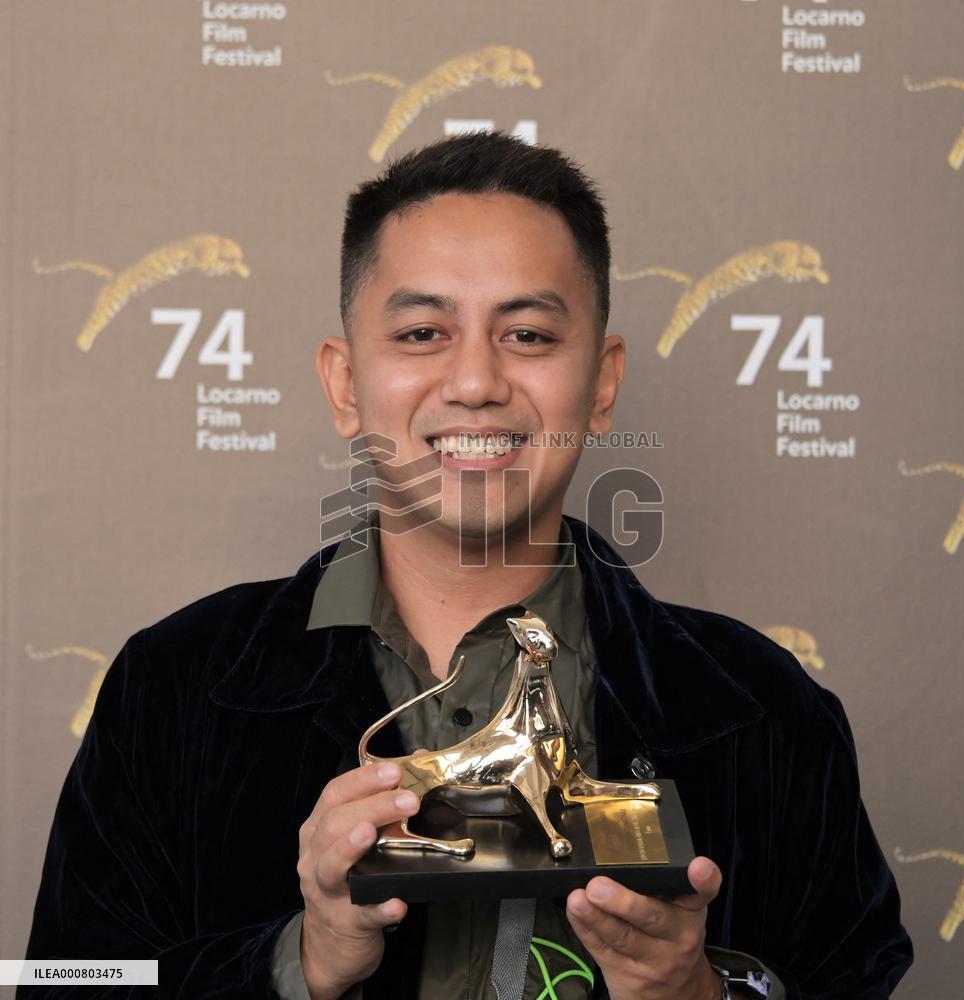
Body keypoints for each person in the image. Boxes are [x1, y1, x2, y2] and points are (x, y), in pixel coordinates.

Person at [22, 132, 912, 999]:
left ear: (601, 385)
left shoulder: (764, 712)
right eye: (421, 334)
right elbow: (75, 979)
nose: (477, 380)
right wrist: (302, 959)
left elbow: (850, 969)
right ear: (343, 383)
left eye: (527, 335)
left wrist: (695, 993)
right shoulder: (173, 689)